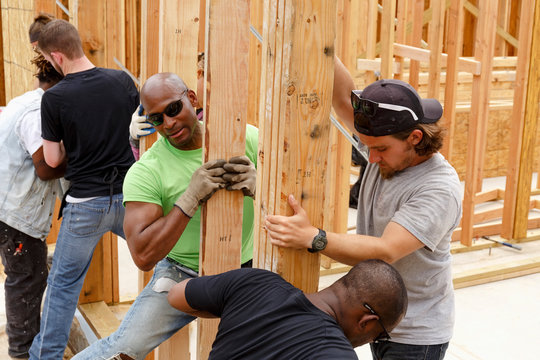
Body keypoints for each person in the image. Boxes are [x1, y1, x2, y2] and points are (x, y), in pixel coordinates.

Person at [265, 57, 462, 360]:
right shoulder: (385, 141)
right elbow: (343, 96)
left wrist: (314, 237)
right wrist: (319, 32)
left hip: (415, 333)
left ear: (415, 137)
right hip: (374, 319)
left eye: (380, 148)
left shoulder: (438, 188)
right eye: (367, 145)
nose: (370, 158)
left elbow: (386, 250)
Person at [73, 72, 258, 360]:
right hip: (182, 272)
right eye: (157, 119)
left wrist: (262, 188)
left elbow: (297, 196)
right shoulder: (148, 171)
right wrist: (189, 199)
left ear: (192, 100)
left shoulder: (244, 138)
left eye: (174, 109)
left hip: (249, 266)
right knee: (121, 351)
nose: (169, 123)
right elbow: (143, 255)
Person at [29, 19, 139, 359]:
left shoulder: (55, 98)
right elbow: (135, 135)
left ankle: (43, 357)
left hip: (84, 206)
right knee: (170, 263)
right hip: (130, 198)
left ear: (58, 56)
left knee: (62, 287)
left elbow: (51, 158)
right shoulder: (122, 81)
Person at [168, 259, 408, 360]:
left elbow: (176, 295)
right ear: (367, 321)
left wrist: (232, 308)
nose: (371, 341)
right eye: (380, 335)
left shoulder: (254, 282)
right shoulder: (337, 355)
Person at [0, 51, 64, 360]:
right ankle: (23, 353)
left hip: (8, 207)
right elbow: (45, 167)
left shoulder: (23, 101)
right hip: (15, 216)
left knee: (28, 274)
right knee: (26, 279)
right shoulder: (39, 112)